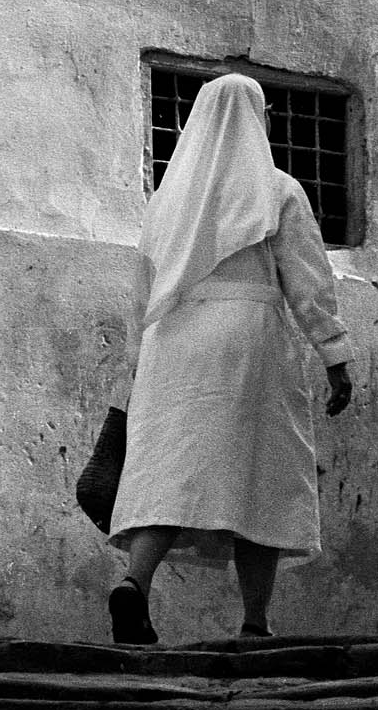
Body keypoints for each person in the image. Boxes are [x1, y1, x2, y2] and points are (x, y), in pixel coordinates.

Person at [107, 71, 353, 646]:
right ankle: (254, 623)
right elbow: (308, 281)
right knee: (260, 472)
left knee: (172, 468)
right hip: (248, 340)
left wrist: (137, 369)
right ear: (258, 119)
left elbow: (140, 294)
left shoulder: (165, 203)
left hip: (174, 343)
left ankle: (134, 584)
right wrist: (335, 354)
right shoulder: (278, 190)